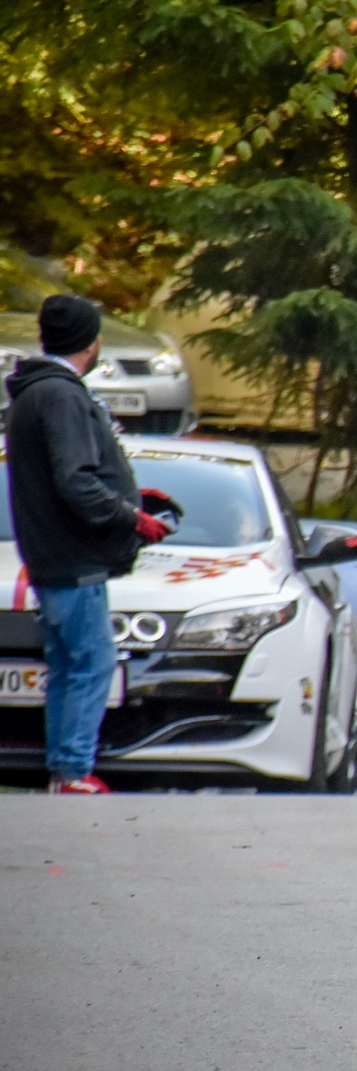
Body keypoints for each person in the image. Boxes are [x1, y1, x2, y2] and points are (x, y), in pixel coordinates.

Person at [4, 294, 171, 793]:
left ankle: (63, 769)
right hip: (74, 556)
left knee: (66, 663)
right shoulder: (63, 396)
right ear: (90, 342)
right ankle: (74, 769)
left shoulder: (32, 393)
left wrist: (131, 498)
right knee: (92, 661)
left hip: (48, 553)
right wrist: (130, 517)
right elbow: (75, 480)